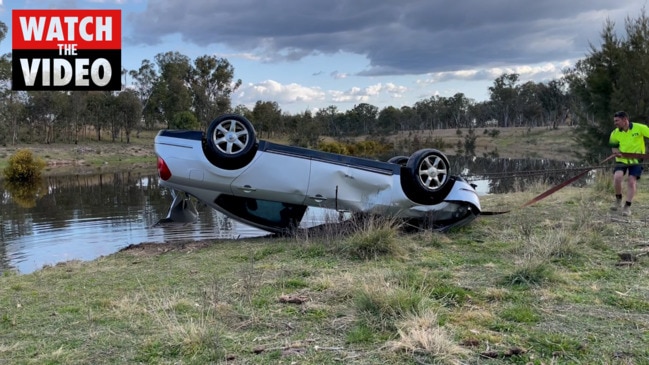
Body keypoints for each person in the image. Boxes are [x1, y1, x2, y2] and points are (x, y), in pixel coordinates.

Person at [609, 111, 649, 216]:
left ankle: (627, 206)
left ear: (625, 120)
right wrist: (616, 153)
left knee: (631, 182)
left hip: (636, 160)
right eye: (614, 121)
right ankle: (618, 199)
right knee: (617, 177)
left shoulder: (640, 128)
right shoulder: (615, 133)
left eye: (617, 121)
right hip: (621, 160)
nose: (615, 123)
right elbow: (613, 147)